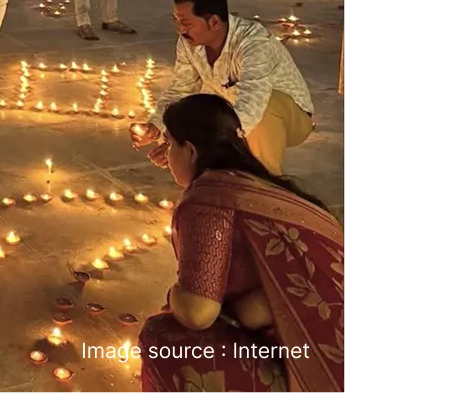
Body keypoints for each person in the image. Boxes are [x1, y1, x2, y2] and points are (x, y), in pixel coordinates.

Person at [138, 94, 344, 394]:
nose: (166, 156)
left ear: (191, 151)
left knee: (163, 336)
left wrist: (175, 296)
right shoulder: (267, 187)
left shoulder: (210, 200)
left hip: (316, 368)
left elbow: (198, 312)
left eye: (170, 144)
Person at [132, 0, 314, 175]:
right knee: (190, 115)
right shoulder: (188, 43)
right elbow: (181, 90)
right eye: (176, 20)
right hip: (233, 115)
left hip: (287, 118)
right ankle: (215, 186)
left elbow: (251, 109)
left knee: (264, 109)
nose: (180, 29)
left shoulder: (254, 44)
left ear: (214, 22)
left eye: (186, 23)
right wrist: (162, 130)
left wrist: (203, 144)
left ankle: (265, 188)